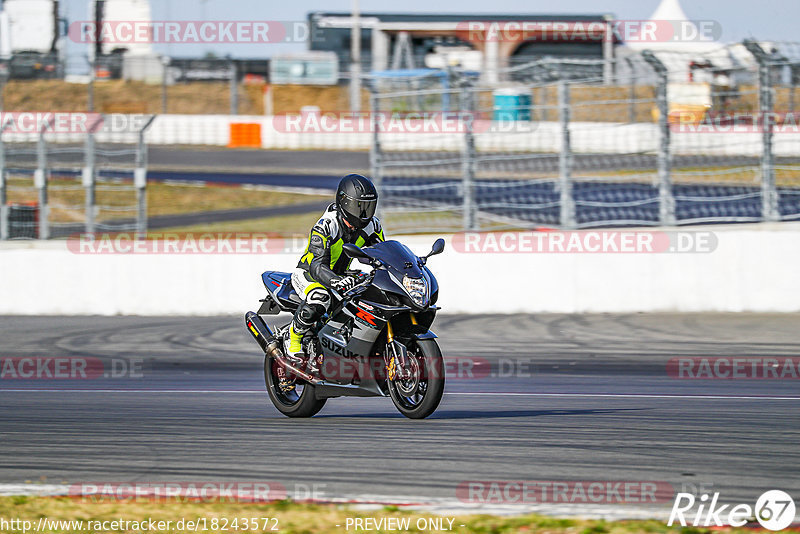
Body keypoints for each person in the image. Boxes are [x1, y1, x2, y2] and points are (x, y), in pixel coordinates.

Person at [283, 173, 385, 365]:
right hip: (310, 274)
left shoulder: (373, 225)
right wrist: (335, 281)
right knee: (320, 298)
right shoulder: (327, 225)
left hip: (340, 275)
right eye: (360, 207)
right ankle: (293, 338)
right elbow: (317, 265)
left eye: (369, 206)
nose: (365, 213)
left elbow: (382, 254)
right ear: (345, 203)